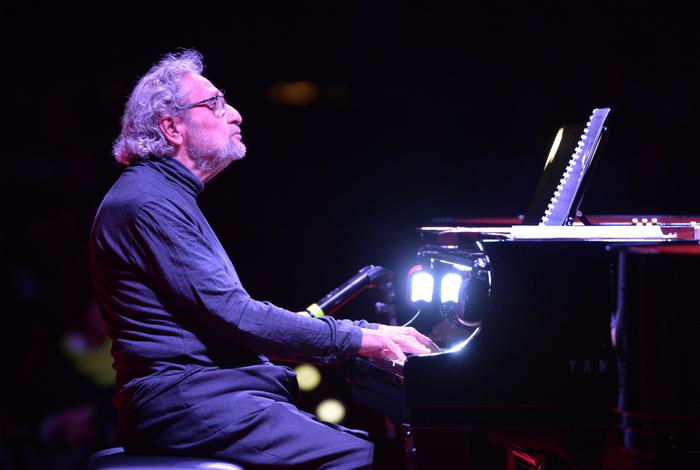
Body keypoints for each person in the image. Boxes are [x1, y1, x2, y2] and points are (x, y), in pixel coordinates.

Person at [89, 49, 437, 469]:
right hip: (189, 405)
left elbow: (230, 320)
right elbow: (239, 318)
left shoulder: (163, 197)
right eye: (215, 104)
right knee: (368, 459)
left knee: (371, 448)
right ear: (172, 127)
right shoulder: (149, 203)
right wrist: (363, 339)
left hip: (206, 398)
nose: (235, 114)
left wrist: (362, 334)